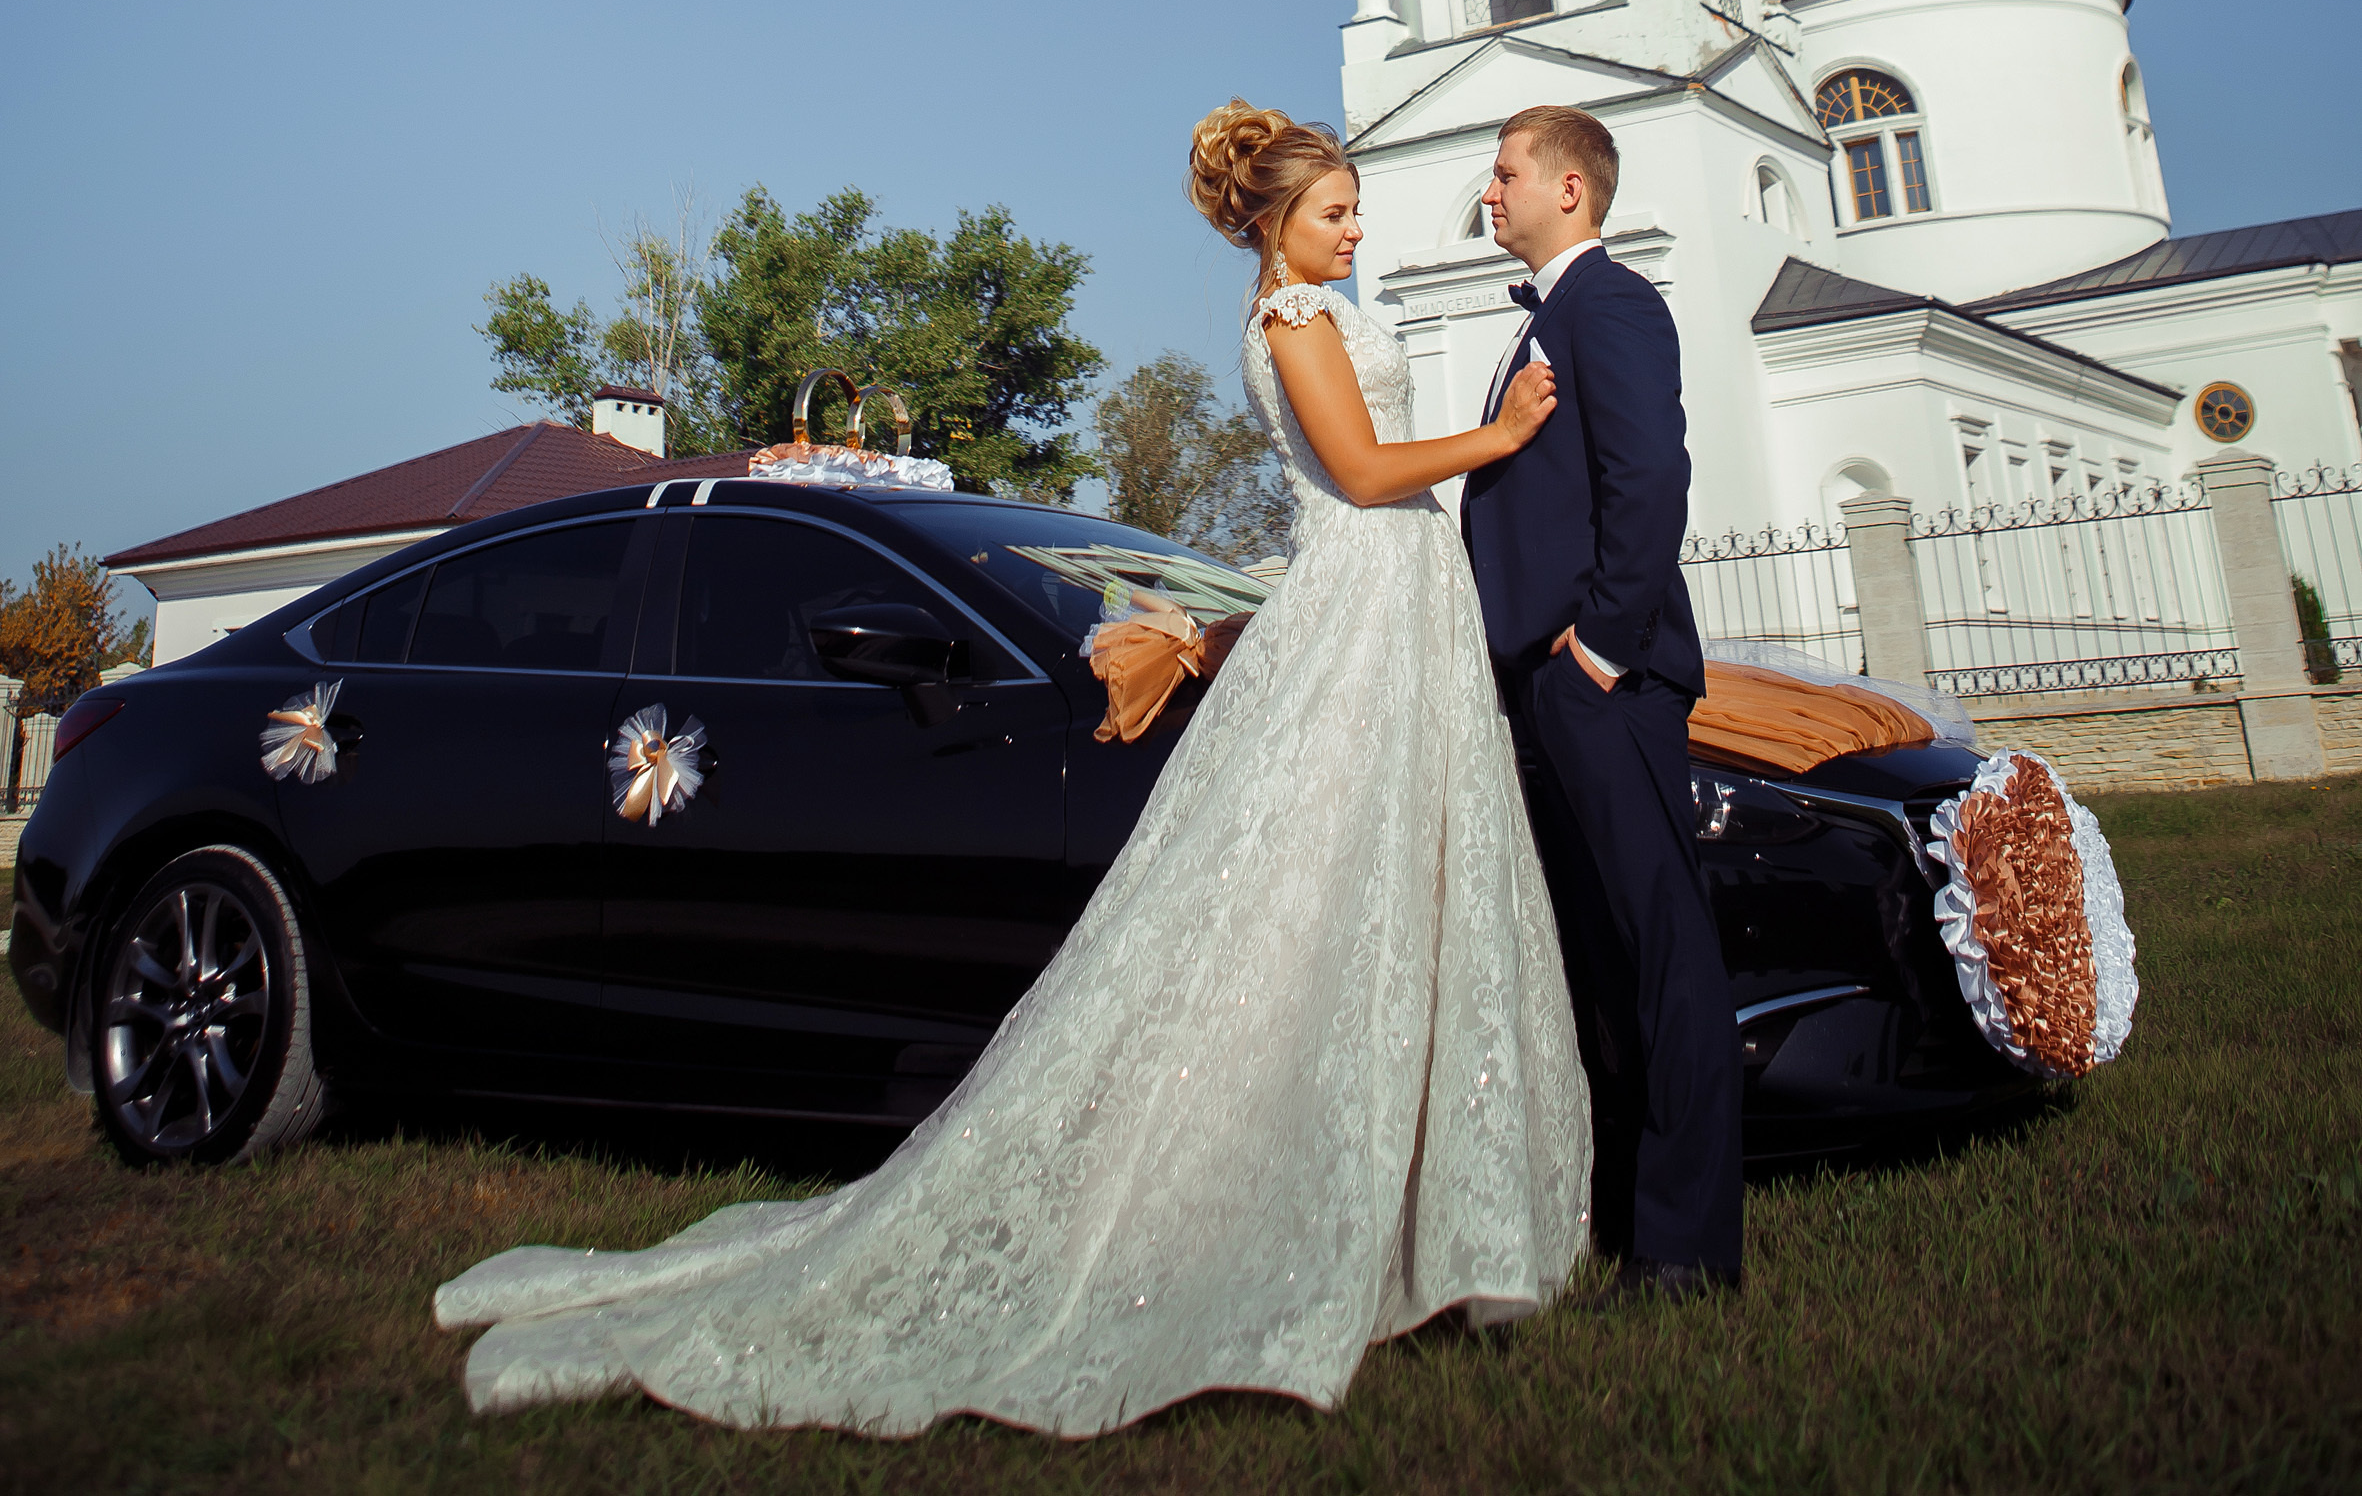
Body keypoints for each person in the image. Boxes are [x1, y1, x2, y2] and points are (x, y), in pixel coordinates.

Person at [433, 103, 1591, 1431]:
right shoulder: (1289, 321)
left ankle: (1430, 1218)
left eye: (1354, 208)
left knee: (1392, 890)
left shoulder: (1320, 307)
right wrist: (1497, 435)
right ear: (1275, 222)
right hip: (1371, 593)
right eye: (1335, 210)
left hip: (1394, 610)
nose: (1356, 227)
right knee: (1292, 900)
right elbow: (1366, 465)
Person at [1461, 102, 1741, 1298]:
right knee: (1596, 954)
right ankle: (1624, 1213)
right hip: (1545, 680)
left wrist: (1602, 648)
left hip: (1601, 683)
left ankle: (1685, 1249)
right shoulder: (1545, 318)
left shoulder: (1612, 305)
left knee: (1661, 953)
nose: (1490, 189)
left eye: (1506, 170)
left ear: (1568, 189)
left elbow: (1649, 476)